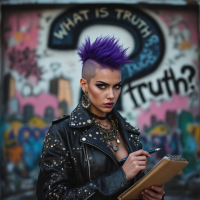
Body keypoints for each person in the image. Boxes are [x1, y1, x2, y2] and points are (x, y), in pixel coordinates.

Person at [36, 36, 165, 200]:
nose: (111, 95)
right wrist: (122, 174)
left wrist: (152, 195)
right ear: (84, 85)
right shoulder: (63, 132)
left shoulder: (128, 132)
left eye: (117, 86)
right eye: (102, 86)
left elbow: (133, 189)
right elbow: (54, 196)